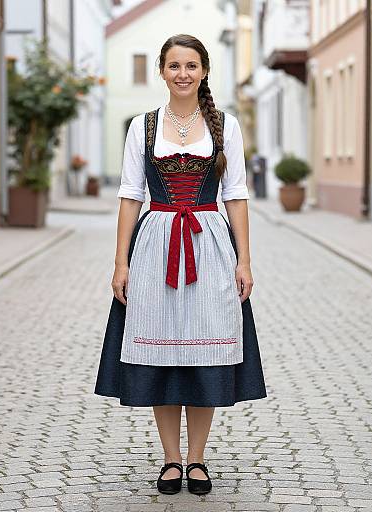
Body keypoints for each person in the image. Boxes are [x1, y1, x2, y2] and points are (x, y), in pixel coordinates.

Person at [93, 34, 267, 495]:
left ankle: (197, 459)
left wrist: (244, 260)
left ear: (204, 71)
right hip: (155, 244)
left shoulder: (225, 125)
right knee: (163, 353)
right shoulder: (143, 126)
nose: (183, 74)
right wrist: (120, 262)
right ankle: (171, 459)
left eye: (191, 65)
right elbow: (130, 195)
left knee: (203, 349)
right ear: (162, 71)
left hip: (209, 242)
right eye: (174, 66)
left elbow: (236, 194)